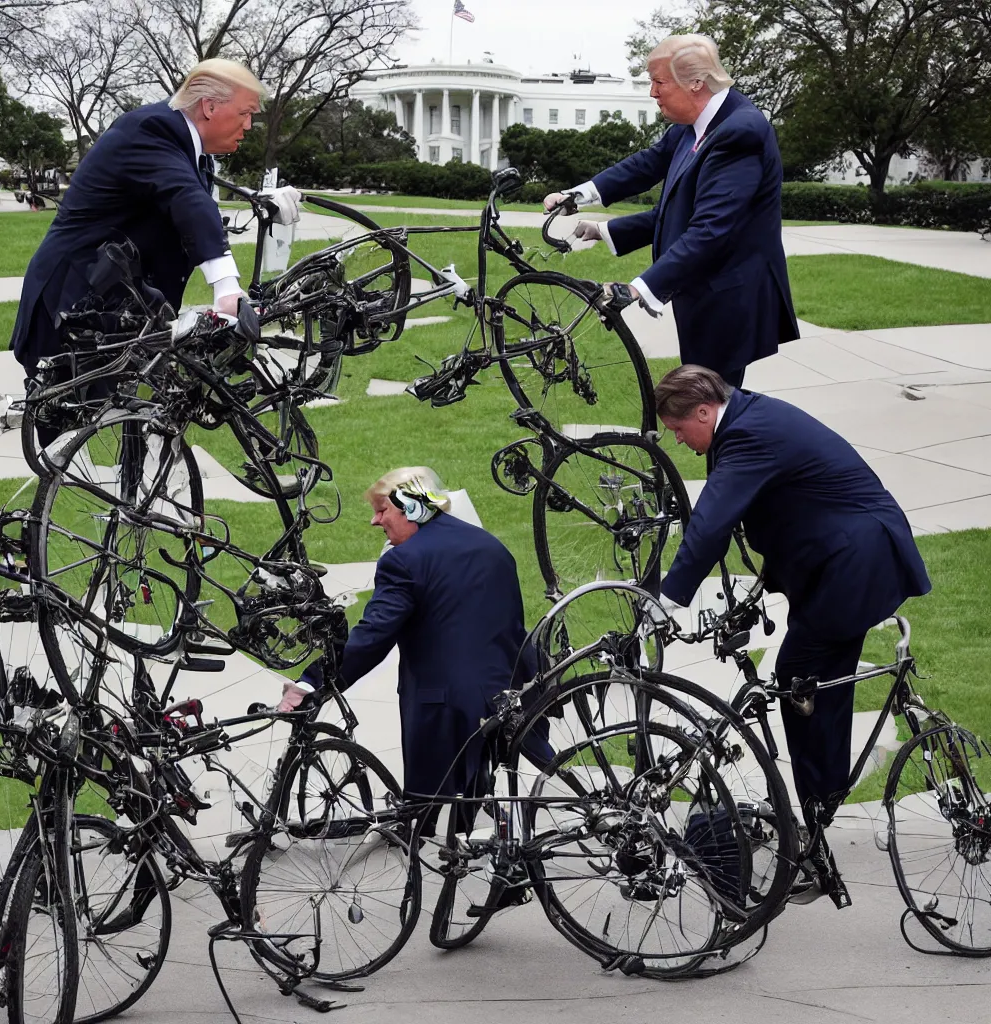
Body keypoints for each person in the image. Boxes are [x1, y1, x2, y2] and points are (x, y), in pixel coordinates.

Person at [653, 364, 930, 831]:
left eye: (678, 430)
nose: (677, 441)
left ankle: (818, 814)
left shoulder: (746, 435)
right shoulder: (745, 419)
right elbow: (783, 505)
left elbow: (710, 524)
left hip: (854, 563)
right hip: (842, 560)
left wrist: (667, 600)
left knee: (799, 675)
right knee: (821, 683)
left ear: (703, 411)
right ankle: (822, 804)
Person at [279, 467, 552, 825]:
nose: (375, 522)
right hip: (511, 691)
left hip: (444, 704)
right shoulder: (490, 545)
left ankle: (422, 841)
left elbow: (373, 637)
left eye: (382, 510)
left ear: (411, 507)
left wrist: (313, 681)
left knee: (420, 814)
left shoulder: (402, 561)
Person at [10, 58, 301, 378]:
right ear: (210, 107)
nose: (248, 125)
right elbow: (187, 200)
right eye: (245, 113)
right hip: (71, 305)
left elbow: (188, 198)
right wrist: (226, 287)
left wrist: (256, 198)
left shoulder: (185, 144)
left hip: (118, 311)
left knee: (137, 416)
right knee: (74, 422)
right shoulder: (151, 129)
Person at [543, 34, 798, 387]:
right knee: (707, 406)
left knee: (713, 410)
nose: (652, 92)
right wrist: (578, 197)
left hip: (728, 296)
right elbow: (648, 167)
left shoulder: (741, 132)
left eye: (659, 81)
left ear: (695, 82)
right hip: (702, 287)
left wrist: (637, 289)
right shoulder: (693, 125)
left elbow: (711, 230)